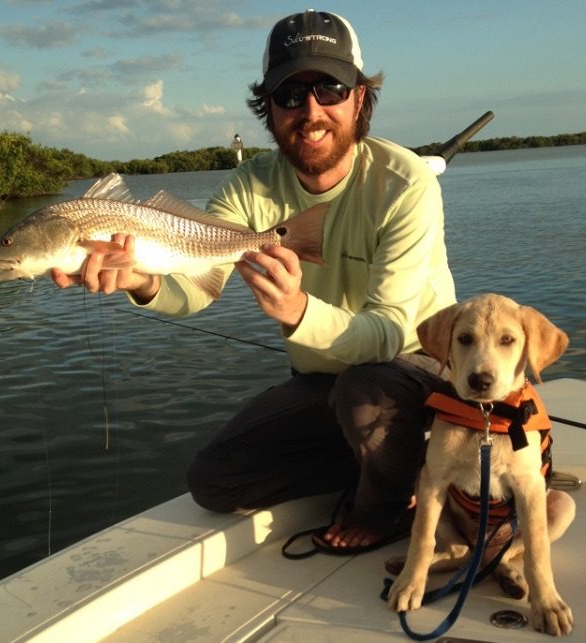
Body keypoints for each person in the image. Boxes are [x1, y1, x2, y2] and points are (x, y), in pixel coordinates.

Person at [52, 9, 456, 553]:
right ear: (267, 108)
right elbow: (198, 285)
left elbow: (386, 335)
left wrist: (296, 311)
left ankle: (384, 505)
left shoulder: (405, 184)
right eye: (290, 95)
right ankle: (390, 461)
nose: (310, 111)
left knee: (366, 390)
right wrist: (142, 283)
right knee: (215, 481)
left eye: (330, 88)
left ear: (360, 99)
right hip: (324, 379)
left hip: (415, 370)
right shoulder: (247, 188)